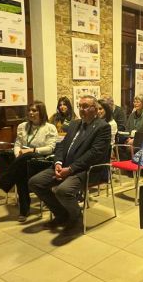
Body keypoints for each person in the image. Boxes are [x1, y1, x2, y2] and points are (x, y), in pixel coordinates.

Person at [28, 95, 111, 236]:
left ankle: (76, 219)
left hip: (87, 170)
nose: (81, 109)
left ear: (95, 109)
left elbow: (94, 154)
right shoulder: (74, 124)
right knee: (35, 182)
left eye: (85, 106)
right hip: (64, 166)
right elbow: (61, 145)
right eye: (80, 106)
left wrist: (71, 169)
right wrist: (58, 163)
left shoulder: (103, 127)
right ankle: (62, 215)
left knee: (63, 190)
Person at [0, 101, 58, 221]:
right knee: (20, 169)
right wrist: (18, 153)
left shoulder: (50, 128)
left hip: (41, 160)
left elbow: (50, 148)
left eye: (34, 110)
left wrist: (31, 150)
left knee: (24, 161)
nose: (31, 113)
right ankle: (24, 209)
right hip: (23, 159)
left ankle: (0, 185)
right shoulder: (23, 126)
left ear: (41, 112)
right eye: (29, 110)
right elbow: (17, 144)